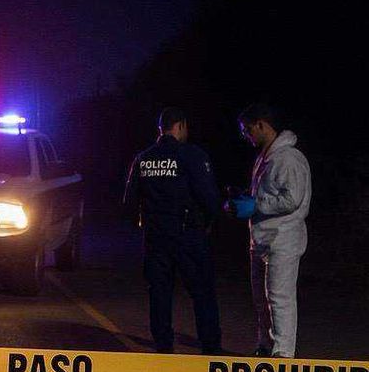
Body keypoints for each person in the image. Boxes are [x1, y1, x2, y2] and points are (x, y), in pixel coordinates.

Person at [124, 107, 223, 354]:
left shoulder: (143, 158)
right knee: (201, 292)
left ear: (161, 128)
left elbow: (128, 201)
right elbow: (208, 197)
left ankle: (163, 344)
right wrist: (210, 222)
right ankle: (210, 347)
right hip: (187, 234)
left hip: (155, 236)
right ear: (179, 126)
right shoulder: (192, 155)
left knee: (159, 291)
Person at [229, 103, 311, 358]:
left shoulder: (288, 158)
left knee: (279, 298)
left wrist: (256, 205)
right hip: (263, 239)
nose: (246, 135)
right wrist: (244, 200)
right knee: (261, 299)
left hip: (283, 238)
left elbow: (293, 198)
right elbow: (270, 196)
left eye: (248, 129)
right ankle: (265, 345)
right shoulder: (266, 157)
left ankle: (283, 354)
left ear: (262, 124)